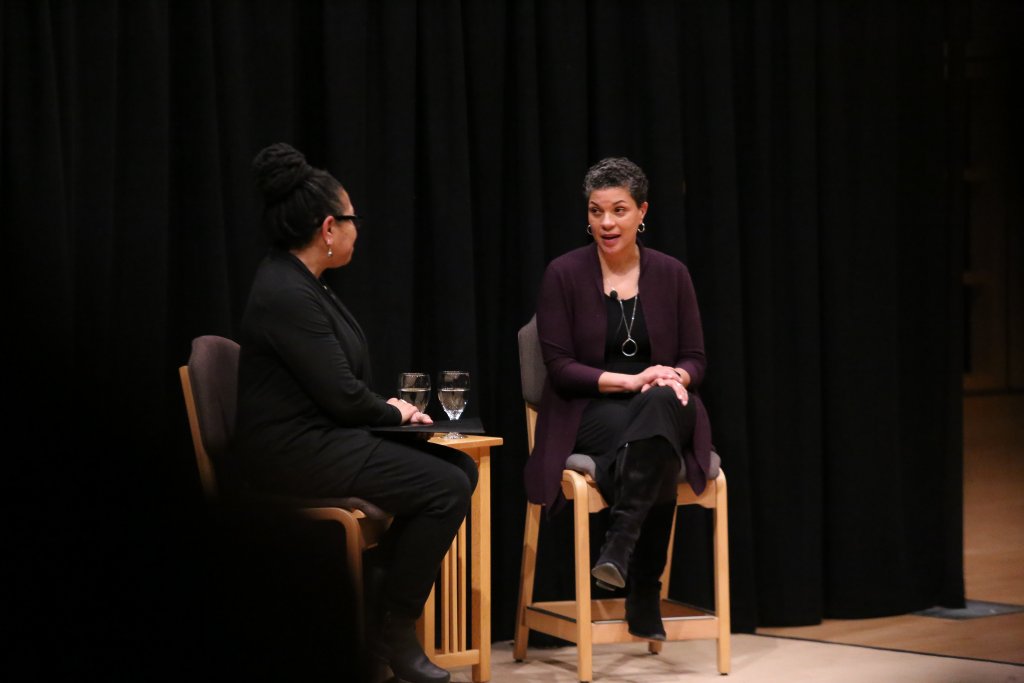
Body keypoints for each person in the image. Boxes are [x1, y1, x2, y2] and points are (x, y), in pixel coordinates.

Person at [232, 142, 476, 683]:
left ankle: (372, 606)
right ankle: (394, 629)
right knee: (445, 488)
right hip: (292, 451)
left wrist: (388, 412)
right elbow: (342, 395)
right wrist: (393, 414)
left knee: (460, 470)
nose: (355, 230)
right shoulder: (285, 292)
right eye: (351, 220)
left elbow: (340, 388)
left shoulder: (303, 283)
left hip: (321, 437)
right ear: (327, 228)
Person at [525, 156, 715, 640]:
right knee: (657, 446)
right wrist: (630, 381)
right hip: (589, 409)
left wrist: (675, 375)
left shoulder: (672, 274)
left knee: (660, 409)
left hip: (665, 402)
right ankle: (643, 589)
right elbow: (560, 368)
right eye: (595, 211)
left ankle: (618, 546)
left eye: (619, 210)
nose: (606, 223)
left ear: (641, 211)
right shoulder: (562, 274)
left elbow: (695, 357)